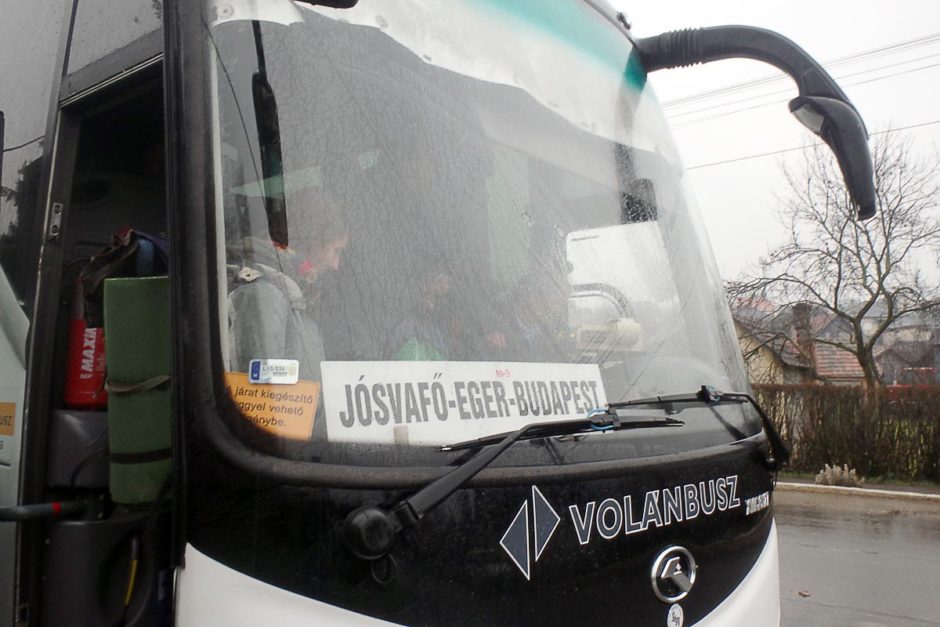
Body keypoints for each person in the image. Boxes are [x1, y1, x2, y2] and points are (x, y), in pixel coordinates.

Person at [226, 185, 348, 382]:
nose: (336, 265)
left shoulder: (293, 292)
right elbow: (262, 399)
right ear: (312, 241)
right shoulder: (263, 294)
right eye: (335, 251)